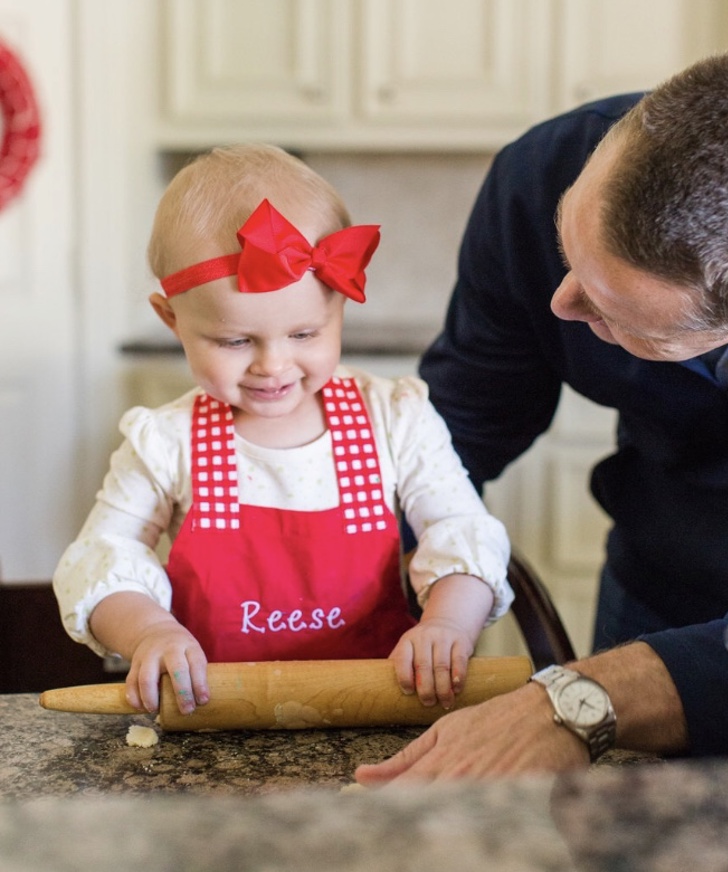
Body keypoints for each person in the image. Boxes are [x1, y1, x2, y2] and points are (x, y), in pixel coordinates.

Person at [355, 47, 728, 785]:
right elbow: (461, 429)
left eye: (609, 313)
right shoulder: (540, 173)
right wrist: (339, 569)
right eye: (570, 248)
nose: (560, 305)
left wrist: (578, 699)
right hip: (653, 586)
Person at [53, 144, 513, 717]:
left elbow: (461, 530)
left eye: (304, 334)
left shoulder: (395, 419)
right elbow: (102, 556)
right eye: (235, 341)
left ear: (340, 307)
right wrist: (149, 633)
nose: (273, 365)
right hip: (212, 719)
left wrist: (447, 622)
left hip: (379, 713)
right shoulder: (164, 443)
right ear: (172, 320)